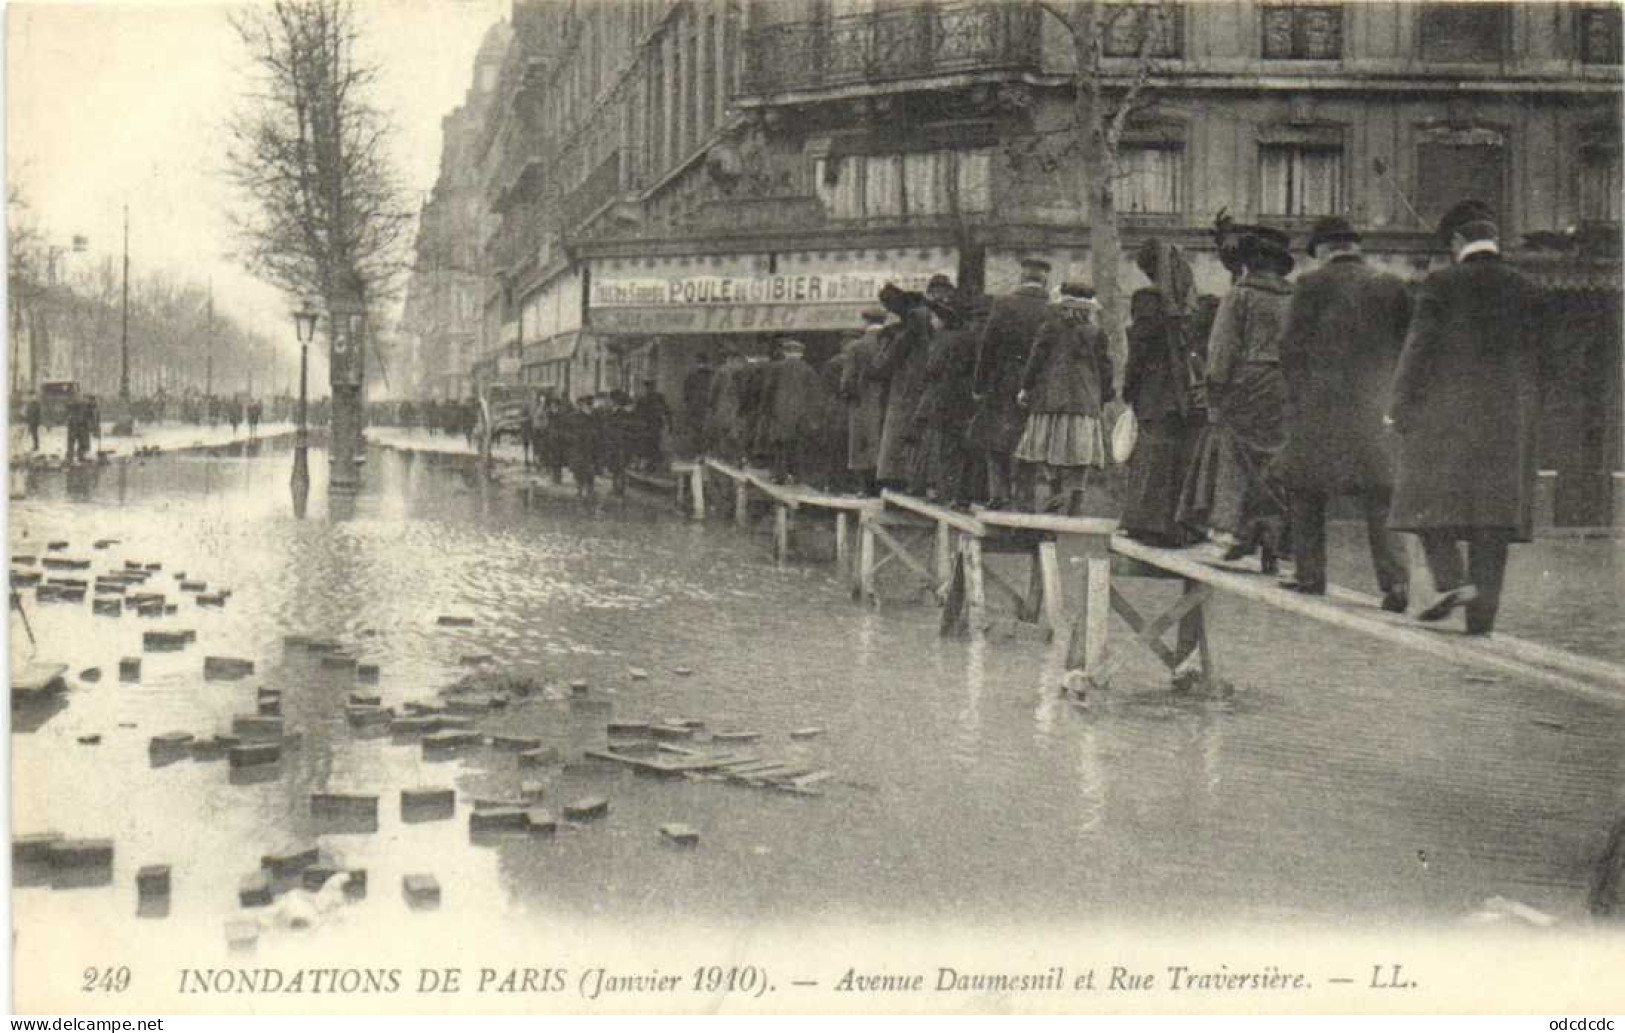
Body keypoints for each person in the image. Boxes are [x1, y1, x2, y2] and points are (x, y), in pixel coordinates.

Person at [1387, 201, 1546, 636]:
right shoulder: (1527, 288)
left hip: (1448, 416)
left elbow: (1417, 349)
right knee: (1492, 524)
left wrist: (1398, 406)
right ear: (1494, 243)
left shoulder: (1440, 283)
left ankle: (1453, 581)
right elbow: (1541, 357)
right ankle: (1481, 626)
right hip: (1508, 423)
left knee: (1424, 506)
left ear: (1458, 243)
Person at [1276, 216, 1412, 610]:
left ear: (1322, 249)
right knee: (1381, 496)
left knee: (1305, 492)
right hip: (1375, 409)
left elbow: (1290, 348)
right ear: (1354, 246)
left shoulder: (1309, 286)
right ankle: (1396, 583)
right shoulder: (1391, 285)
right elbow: (1408, 347)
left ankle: (1310, 575)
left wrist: (1298, 397)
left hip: (1320, 410)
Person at [1179, 227, 1294, 574]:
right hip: (1283, 386)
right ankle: (1272, 540)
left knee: (1232, 458)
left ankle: (1229, 536)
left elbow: (1221, 350)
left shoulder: (1240, 296)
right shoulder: (1295, 297)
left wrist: (1213, 392)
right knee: (1272, 462)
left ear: (1248, 265)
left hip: (1245, 383)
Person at [1015, 283, 1114, 516]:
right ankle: (1075, 502)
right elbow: (1105, 369)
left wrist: (1025, 388)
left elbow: (1035, 361)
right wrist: (1105, 394)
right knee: (1080, 454)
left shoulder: (1049, 328)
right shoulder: (1097, 333)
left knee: (1048, 447)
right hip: (1085, 400)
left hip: (1051, 399)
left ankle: (1055, 491)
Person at [1119, 286, 1200, 545]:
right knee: (1171, 464)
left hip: (1152, 401)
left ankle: (1143, 524)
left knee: (1148, 462)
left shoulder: (1143, 330)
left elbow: (1135, 366)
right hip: (1176, 403)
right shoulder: (1175, 327)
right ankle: (1171, 528)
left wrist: (1128, 391)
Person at [970, 256, 1052, 510]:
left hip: (1002, 382)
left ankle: (999, 494)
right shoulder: (1052, 309)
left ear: (1022, 277)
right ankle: (1025, 499)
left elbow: (988, 346)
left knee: (997, 439)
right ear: (1044, 279)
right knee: (1029, 440)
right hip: (1038, 384)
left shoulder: (1003, 304)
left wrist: (979, 385)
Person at [871, 279, 941, 492]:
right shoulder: (925, 314)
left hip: (907, 385)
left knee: (901, 433)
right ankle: (919, 480)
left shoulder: (912, 319)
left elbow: (888, 361)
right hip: (924, 382)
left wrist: (886, 340)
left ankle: (898, 480)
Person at [909, 289, 979, 503]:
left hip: (943, 399)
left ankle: (942, 492)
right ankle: (960, 495)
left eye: (934, 317)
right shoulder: (970, 337)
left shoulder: (943, 340)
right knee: (961, 448)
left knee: (943, 448)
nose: (931, 321)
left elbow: (932, 368)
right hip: (964, 399)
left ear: (943, 320)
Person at [760, 339, 828, 485]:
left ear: (785, 352)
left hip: (780, 412)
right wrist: (813, 416)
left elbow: (768, 391)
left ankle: (779, 475)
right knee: (798, 445)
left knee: (780, 445)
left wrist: (766, 410)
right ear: (801, 354)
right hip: (800, 414)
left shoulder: (776, 368)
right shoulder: (808, 370)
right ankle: (798, 476)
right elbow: (815, 395)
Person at [840, 308, 889, 495]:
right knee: (882, 443)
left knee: (861, 444)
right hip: (886, 402)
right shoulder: (890, 344)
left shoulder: (856, 347)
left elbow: (846, 381)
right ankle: (883, 489)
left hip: (862, 403)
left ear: (865, 322)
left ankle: (863, 489)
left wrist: (849, 398)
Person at [564, 395, 600, 499]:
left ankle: (590, 489)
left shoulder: (594, 416)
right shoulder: (573, 416)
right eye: (581, 404)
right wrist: (571, 438)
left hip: (590, 447)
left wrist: (593, 437)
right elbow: (567, 430)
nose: (584, 406)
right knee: (577, 469)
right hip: (577, 447)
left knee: (589, 469)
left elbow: (599, 431)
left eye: (587, 404)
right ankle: (579, 489)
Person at [632, 379, 671, 472]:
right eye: (648, 387)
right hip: (646, 426)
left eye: (652, 387)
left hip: (655, 426)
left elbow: (667, 410)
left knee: (654, 444)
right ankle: (648, 465)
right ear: (646, 388)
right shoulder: (642, 400)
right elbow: (636, 413)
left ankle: (652, 465)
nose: (650, 389)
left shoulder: (659, 398)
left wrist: (669, 423)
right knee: (647, 445)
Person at [681, 357, 714, 457]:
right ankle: (700, 450)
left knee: (700, 429)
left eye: (703, 363)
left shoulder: (693, 376)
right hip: (701, 406)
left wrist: (688, 403)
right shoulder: (710, 375)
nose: (702, 365)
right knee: (699, 429)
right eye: (701, 363)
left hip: (701, 406)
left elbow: (686, 393)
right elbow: (686, 392)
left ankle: (701, 450)